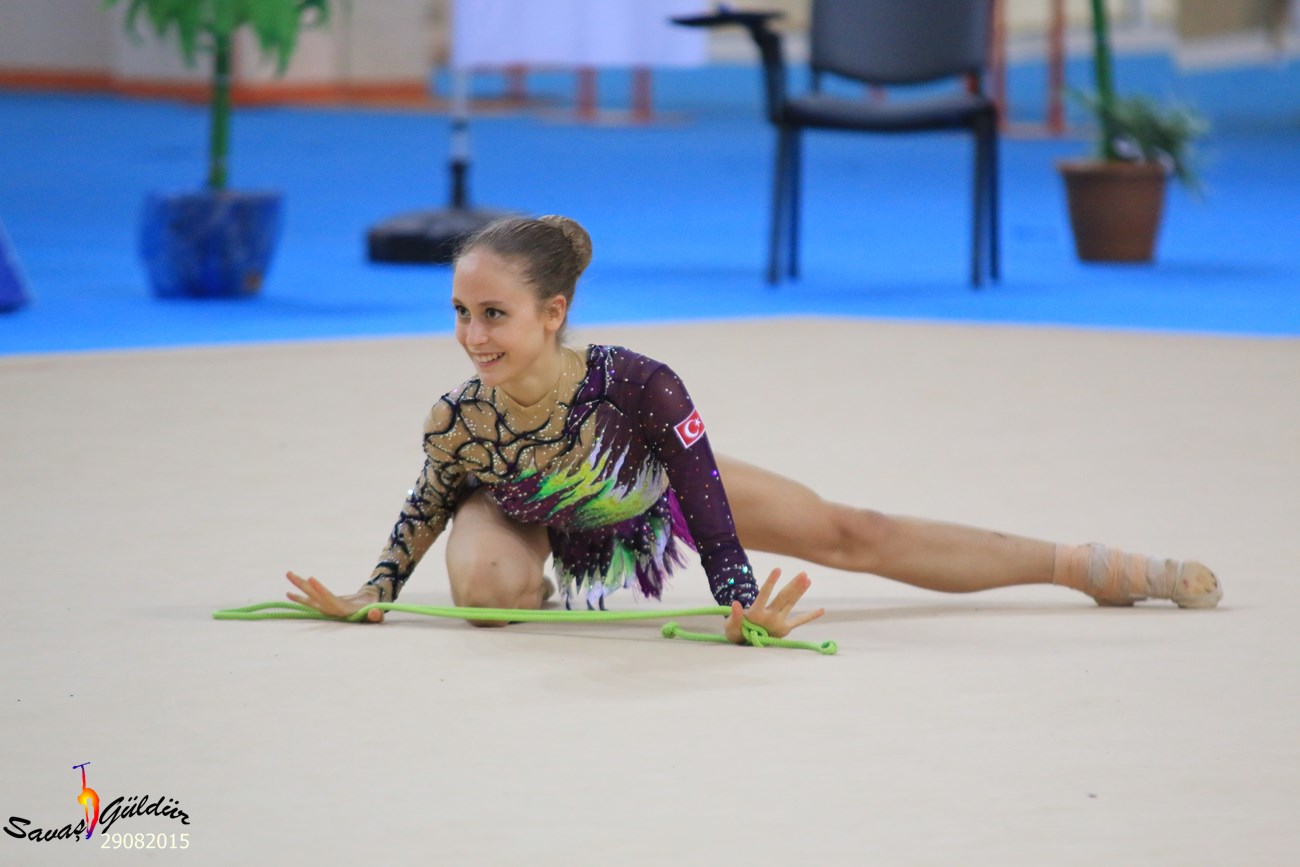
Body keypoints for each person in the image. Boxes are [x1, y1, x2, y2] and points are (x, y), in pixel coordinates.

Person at [286, 215, 1222, 644]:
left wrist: (736, 599)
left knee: (853, 530)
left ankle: (1081, 564)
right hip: (520, 506)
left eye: (494, 313)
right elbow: (428, 499)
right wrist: (374, 591)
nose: (473, 335)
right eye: (461, 312)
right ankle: (545, 582)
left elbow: (702, 496)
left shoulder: (638, 386)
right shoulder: (458, 417)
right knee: (490, 598)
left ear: (553, 311)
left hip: (643, 488)